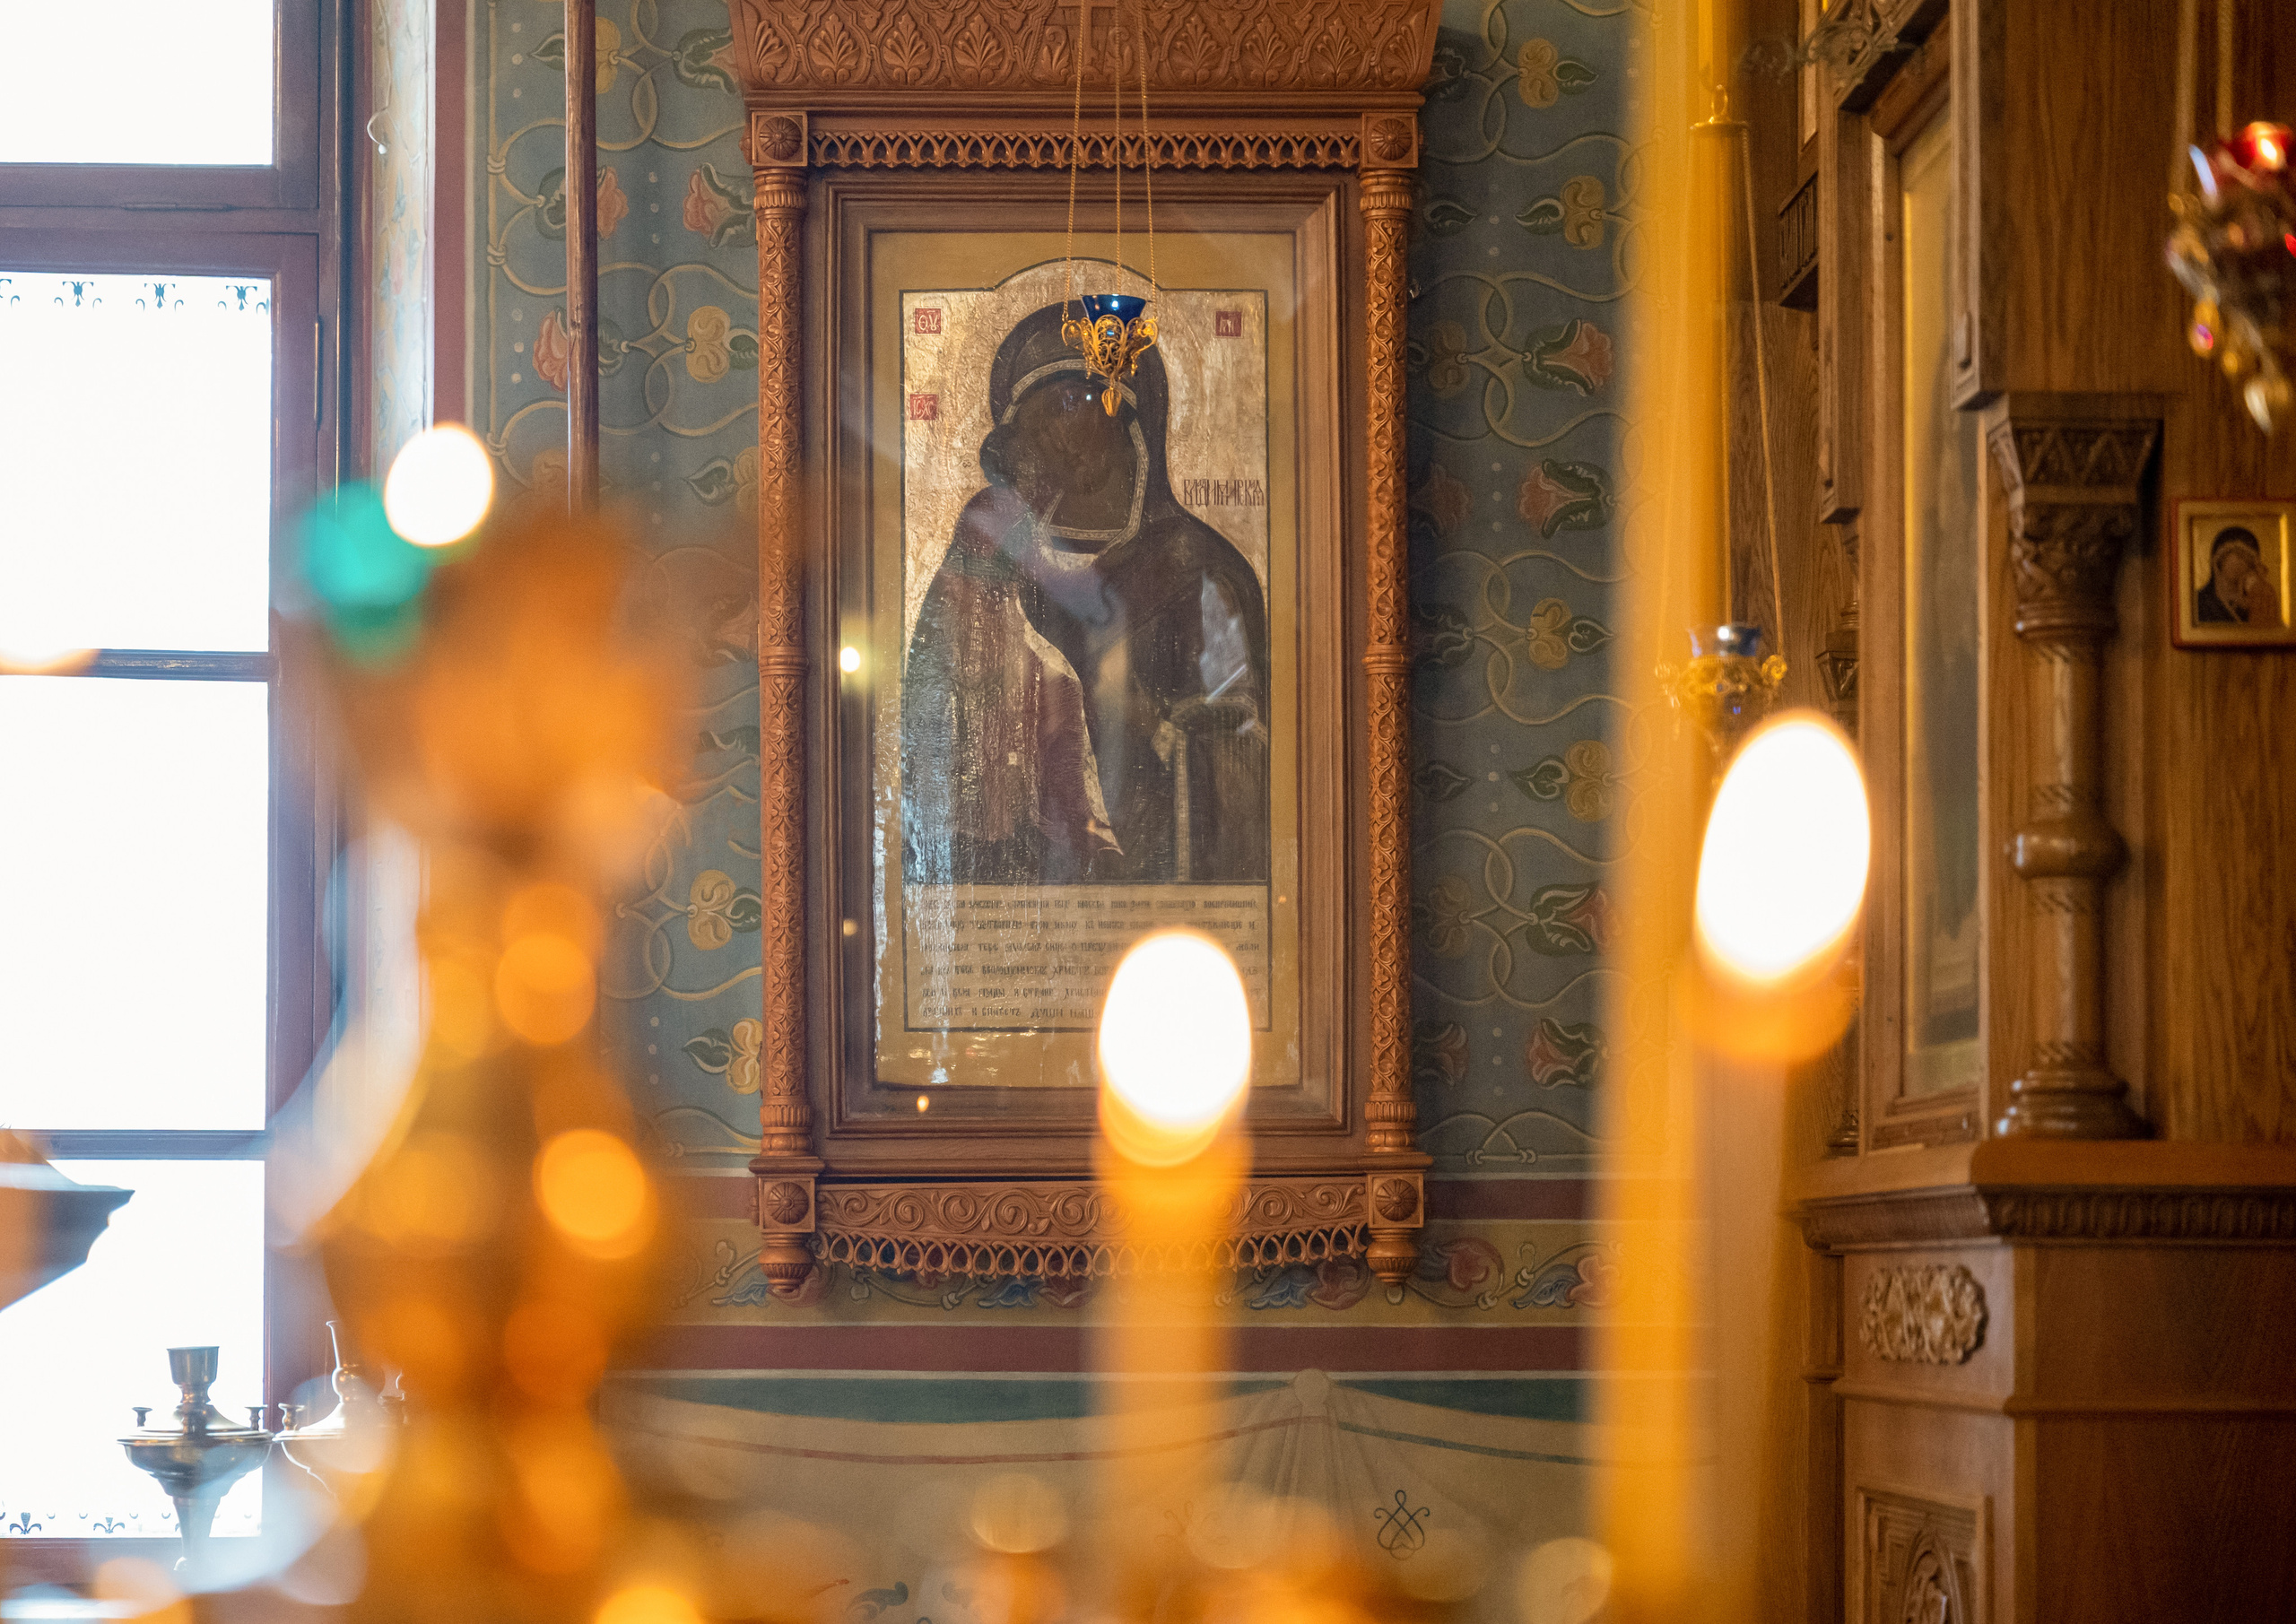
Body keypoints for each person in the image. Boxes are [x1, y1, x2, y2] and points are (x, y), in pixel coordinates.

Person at [902, 300, 1271, 887]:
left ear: (1121, 414)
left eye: (1065, 404)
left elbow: (1246, 761)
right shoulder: (990, 551)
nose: (1036, 432)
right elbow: (932, 717)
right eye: (1025, 416)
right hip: (1021, 880)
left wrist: (1150, 719)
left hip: (1162, 899)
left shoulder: (1198, 572)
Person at [2195, 525, 2281, 626]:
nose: (2239, 563)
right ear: (2218, 560)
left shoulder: (2260, 598)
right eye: (2235, 555)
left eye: (2246, 558)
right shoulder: (2200, 601)